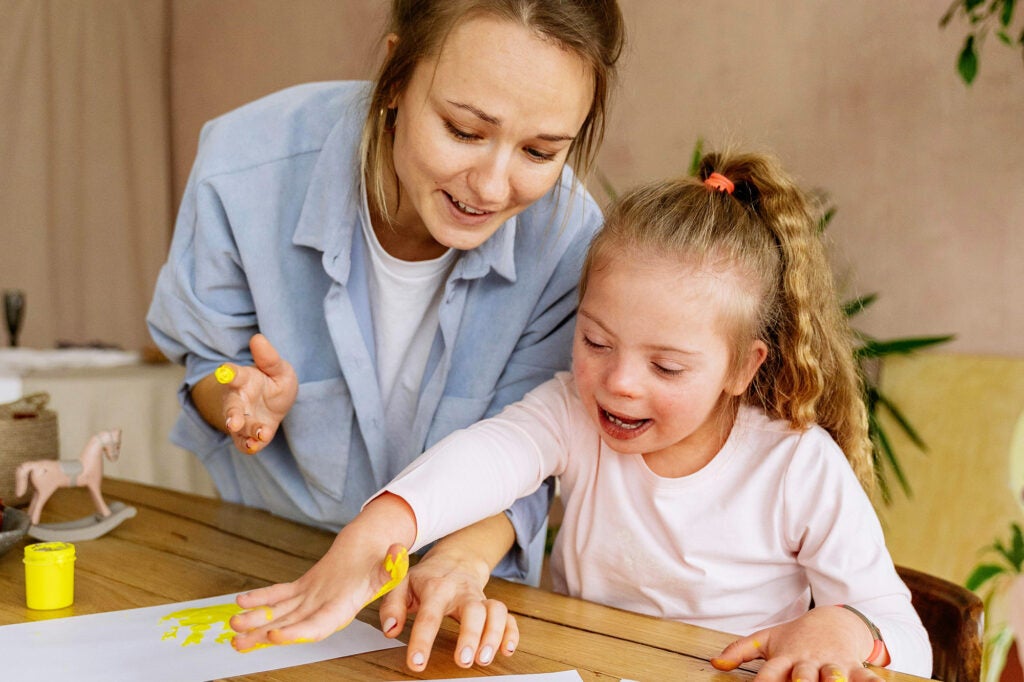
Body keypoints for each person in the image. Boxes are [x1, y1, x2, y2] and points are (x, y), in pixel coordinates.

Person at [227, 150, 934, 678]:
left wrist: (846, 631)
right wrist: (374, 532)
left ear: (743, 368)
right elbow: (489, 456)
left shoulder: (795, 464)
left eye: (666, 366)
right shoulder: (574, 410)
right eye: (596, 341)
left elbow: (909, 641)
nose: (618, 383)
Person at [146, 0, 624, 671]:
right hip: (264, 566)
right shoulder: (244, 167)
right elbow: (209, 361)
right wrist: (235, 399)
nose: (490, 184)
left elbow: (531, 448)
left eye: (540, 151)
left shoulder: (569, 237)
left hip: (444, 599)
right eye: (463, 131)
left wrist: (459, 560)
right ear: (396, 76)